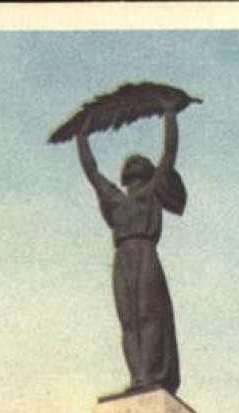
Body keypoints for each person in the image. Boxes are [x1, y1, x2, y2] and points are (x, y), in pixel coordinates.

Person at [77, 109, 185, 395]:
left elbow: (169, 153)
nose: (133, 162)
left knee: (148, 315)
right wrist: (81, 135)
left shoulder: (151, 191)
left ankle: (148, 376)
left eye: (139, 161)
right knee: (128, 320)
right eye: (130, 162)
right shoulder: (115, 199)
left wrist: (170, 115)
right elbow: (92, 171)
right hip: (122, 256)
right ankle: (138, 377)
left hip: (145, 251)